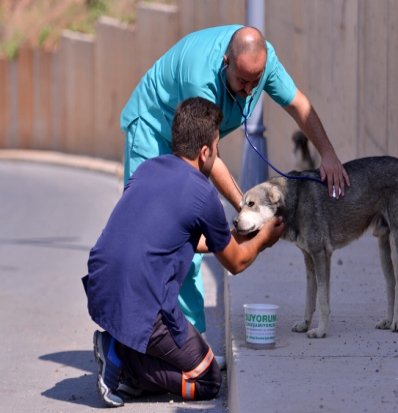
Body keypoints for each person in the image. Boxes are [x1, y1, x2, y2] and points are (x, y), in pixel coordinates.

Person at [119, 24, 350, 348]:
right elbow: (209, 159)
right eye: (242, 82)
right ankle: (134, 343)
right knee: (157, 232)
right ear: (226, 62)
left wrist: (328, 154)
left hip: (194, 146)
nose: (248, 91)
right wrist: (248, 207)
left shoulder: (261, 63)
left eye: (256, 83)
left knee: (188, 244)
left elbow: (298, 104)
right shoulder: (200, 79)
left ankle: (190, 343)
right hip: (154, 130)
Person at [83, 97, 285, 407]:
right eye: (216, 148)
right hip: (144, 307)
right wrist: (265, 238)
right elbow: (236, 261)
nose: (216, 154)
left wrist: (230, 236)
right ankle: (122, 359)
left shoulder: (149, 168)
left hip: (102, 290)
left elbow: (174, 238)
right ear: (205, 151)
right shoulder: (203, 193)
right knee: (206, 380)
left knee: (186, 359)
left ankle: (121, 350)